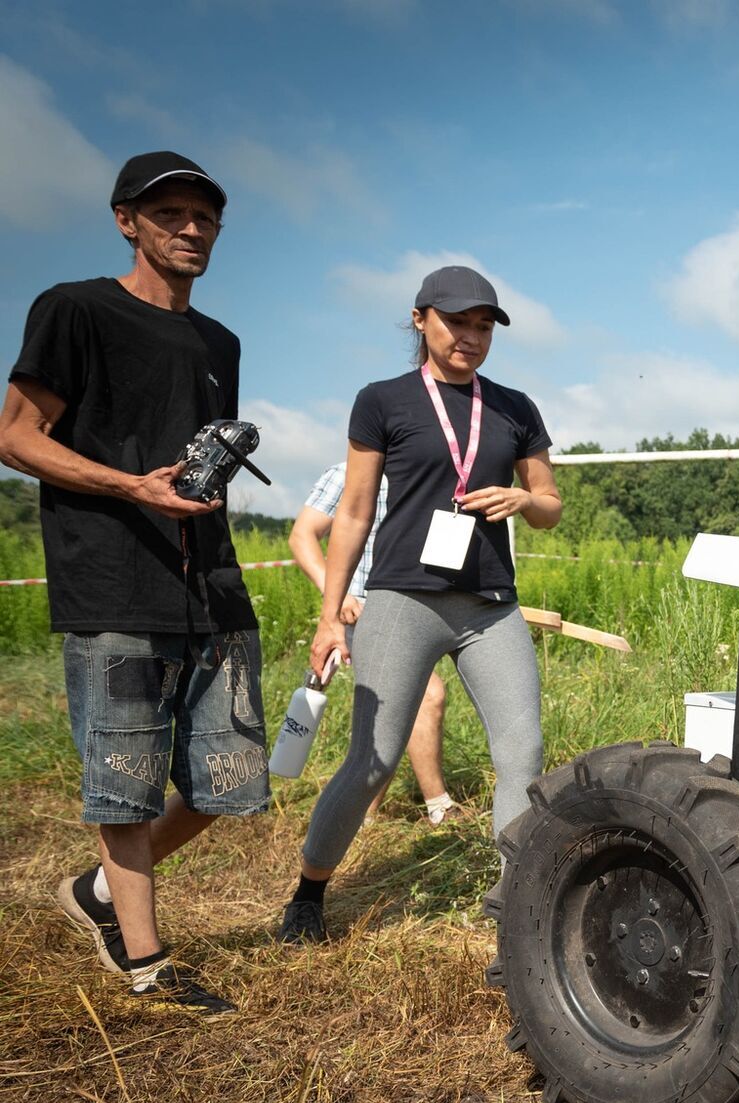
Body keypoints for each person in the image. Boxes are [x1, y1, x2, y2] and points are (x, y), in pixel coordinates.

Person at [0, 151, 264, 1014]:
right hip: (112, 575)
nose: (190, 229)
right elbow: (17, 436)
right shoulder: (74, 309)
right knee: (126, 777)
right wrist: (130, 487)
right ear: (127, 221)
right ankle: (147, 963)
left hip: (211, 578)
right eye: (169, 215)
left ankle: (99, 891)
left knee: (228, 779)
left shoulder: (219, 339)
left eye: (204, 217)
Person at [280, 265, 561, 944]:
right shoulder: (382, 401)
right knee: (371, 760)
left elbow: (550, 504)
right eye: (456, 321)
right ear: (420, 319)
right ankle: (308, 895)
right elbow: (351, 514)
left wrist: (525, 500)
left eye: (483, 325)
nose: (470, 336)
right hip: (402, 598)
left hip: (489, 605)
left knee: (523, 752)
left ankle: (516, 912)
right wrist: (330, 614)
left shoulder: (516, 407)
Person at [290, 459, 463, 825]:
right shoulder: (345, 472)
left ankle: (361, 813)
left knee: (391, 708)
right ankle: (439, 806)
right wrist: (337, 598)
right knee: (426, 697)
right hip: (361, 612)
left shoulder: (431, 473)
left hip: (413, 611)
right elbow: (302, 535)